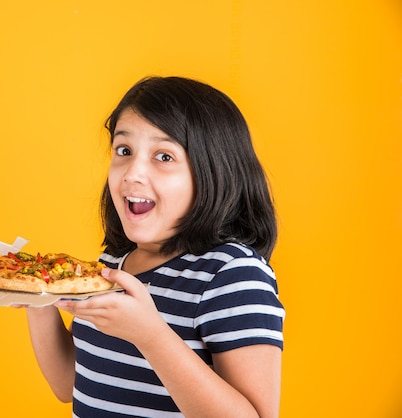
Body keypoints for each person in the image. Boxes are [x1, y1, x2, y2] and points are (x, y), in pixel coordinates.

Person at [25, 76, 285, 417]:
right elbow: (67, 383)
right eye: (124, 151)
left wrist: (150, 336)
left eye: (164, 156)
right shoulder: (114, 263)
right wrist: (37, 299)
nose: (133, 172)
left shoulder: (232, 275)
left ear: (213, 172)